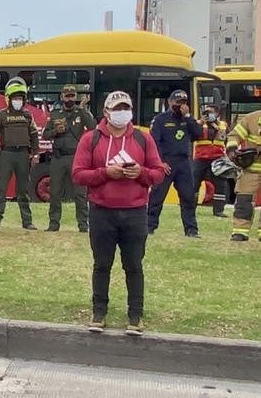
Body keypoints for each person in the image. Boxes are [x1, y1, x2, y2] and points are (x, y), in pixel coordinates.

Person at [72, 91, 165, 336]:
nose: (122, 112)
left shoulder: (143, 139)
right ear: (106, 112)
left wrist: (141, 173)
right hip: (101, 211)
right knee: (101, 264)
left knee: (134, 265)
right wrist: (104, 173)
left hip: (135, 213)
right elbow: (78, 174)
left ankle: (135, 316)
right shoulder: (90, 139)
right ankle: (98, 312)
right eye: (117, 108)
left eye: (126, 108)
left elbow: (158, 173)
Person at [146, 89, 202, 237]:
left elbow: (198, 134)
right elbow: (154, 143)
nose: (181, 105)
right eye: (178, 102)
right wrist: (159, 162)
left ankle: (191, 229)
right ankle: (149, 226)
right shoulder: (160, 120)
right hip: (166, 162)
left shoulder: (188, 119)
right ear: (170, 102)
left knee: (188, 197)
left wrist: (188, 116)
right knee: (157, 196)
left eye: (184, 103)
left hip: (184, 162)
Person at [42, 84, 96, 232]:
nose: (70, 99)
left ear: (76, 97)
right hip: (58, 157)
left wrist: (84, 110)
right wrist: (55, 131)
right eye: (67, 96)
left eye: (72, 96)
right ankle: (54, 223)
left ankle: (83, 224)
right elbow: (45, 135)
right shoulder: (55, 114)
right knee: (55, 191)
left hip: (75, 157)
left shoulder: (80, 113)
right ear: (62, 97)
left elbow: (93, 128)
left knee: (80, 192)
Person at [0, 76, 39, 229]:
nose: (18, 100)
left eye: (20, 98)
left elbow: (34, 135)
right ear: (9, 99)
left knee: (23, 190)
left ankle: (27, 222)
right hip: (6, 155)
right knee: (1, 189)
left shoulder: (28, 115)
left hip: (23, 155)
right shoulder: (1, 115)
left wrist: (35, 153)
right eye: (15, 98)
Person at [227, 108, 261, 242]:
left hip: (251, 168)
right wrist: (232, 149)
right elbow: (234, 135)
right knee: (244, 200)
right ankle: (240, 232)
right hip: (250, 169)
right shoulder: (251, 118)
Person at [191, 103, 231, 218]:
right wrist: (200, 123)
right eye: (206, 112)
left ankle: (218, 210)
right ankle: (191, 208)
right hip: (201, 158)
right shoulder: (199, 124)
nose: (208, 114)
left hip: (218, 158)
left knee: (221, 184)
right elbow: (191, 135)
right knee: (194, 184)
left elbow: (229, 138)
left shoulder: (223, 125)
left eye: (210, 112)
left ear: (217, 113)